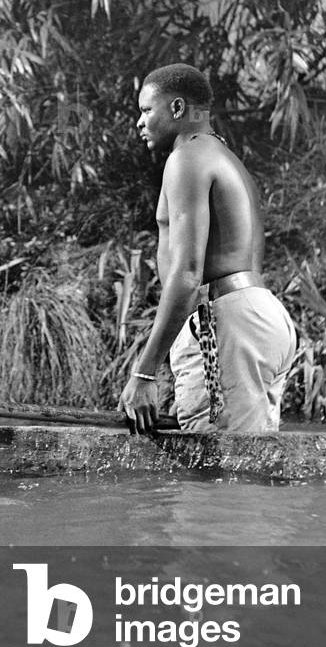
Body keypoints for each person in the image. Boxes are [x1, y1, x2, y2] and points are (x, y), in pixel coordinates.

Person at [118, 64, 297, 434]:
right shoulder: (225, 157)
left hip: (230, 325)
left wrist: (143, 371)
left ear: (178, 109)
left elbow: (186, 273)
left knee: (220, 479)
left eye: (147, 110)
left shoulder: (187, 158)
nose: (139, 122)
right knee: (245, 475)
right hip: (257, 318)